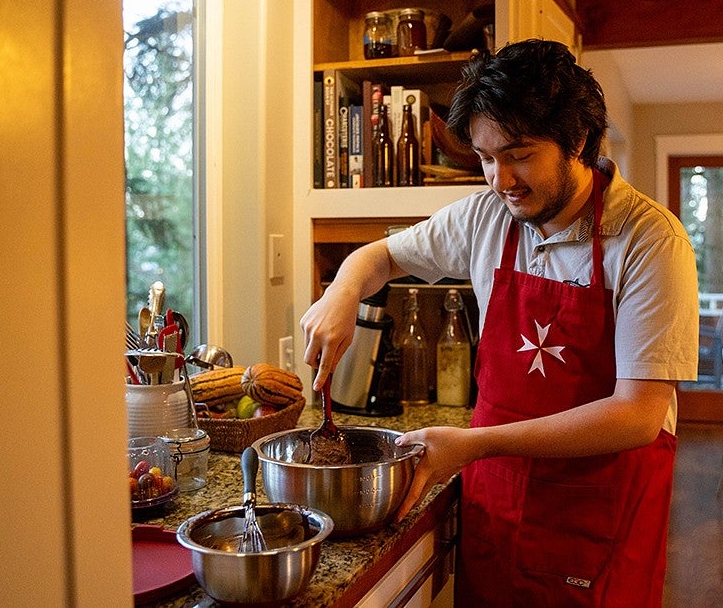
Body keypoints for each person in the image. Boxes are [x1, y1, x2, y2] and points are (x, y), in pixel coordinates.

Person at [300, 39, 699, 607]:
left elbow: (637, 415)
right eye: (486, 157)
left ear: (577, 142)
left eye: (518, 154)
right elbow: (380, 257)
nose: (499, 178)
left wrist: (474, 445)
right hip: (498, 506)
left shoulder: (648, 241)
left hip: (596, 517)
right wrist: (341, 291)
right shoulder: (487, 216)